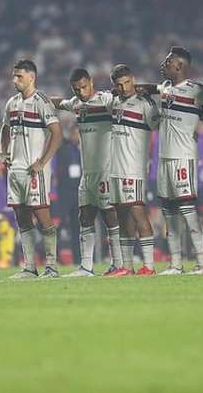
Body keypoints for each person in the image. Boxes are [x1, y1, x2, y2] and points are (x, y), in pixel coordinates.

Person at [53, 68, 123, 277]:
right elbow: (60, 102)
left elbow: (124, 101)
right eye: (77, 89)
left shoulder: (107, 100)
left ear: (91, 82)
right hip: (88, 173)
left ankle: (118, 264)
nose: (81, 92)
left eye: (84, 87)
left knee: (110, 215)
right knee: (85, 216)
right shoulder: (76, 103)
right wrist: (42, 99)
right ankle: (86, 266)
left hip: (105, 170)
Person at [1, 59, 63, 279]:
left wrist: (42, 162)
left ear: (31, 77)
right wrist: (3, 152)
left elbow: (57, 133)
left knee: (43, 217)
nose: (14, 80)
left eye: (19, 76)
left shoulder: (41, 102)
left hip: (35, 171)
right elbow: (5, 128)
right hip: (15, 170)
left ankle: (52, 267)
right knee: (22, 218)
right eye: (14, 75)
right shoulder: (12, 103)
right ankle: (29, 267)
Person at [153, 46, 203, 275]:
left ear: (179, 65)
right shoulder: (165, 88)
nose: (163, 64)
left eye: (167, 61)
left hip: (183, 157)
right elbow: (156, 88)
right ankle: (175, 263)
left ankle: (202, 262)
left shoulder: (196, 90)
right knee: (169, 212)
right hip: (164, 158)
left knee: (188, 211)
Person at [108, 64, 160, 276]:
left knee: (138, 213)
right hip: (116, 168)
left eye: (127, 83)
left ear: (133, 80)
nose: (124, 88)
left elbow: (159, 125)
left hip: (134, 168)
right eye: (119, 85)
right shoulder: (113, 102)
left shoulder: (144, 104)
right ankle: (126, 266)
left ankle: (149, 265)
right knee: (122, 216)